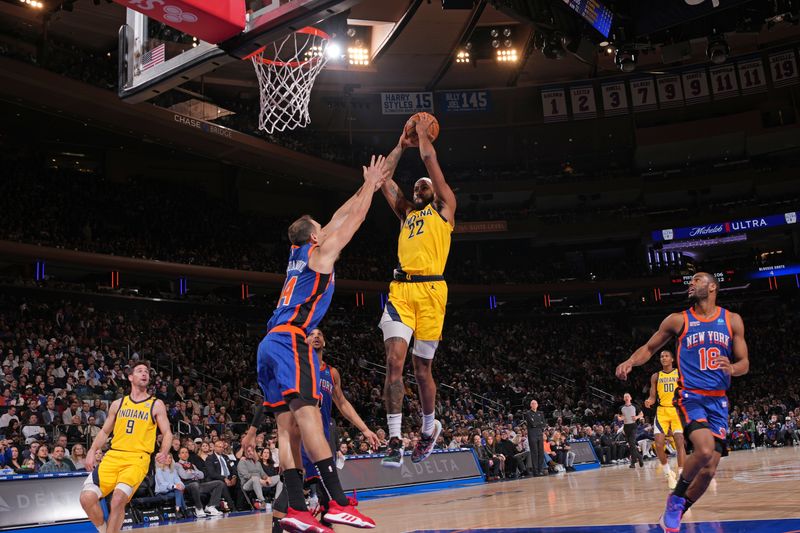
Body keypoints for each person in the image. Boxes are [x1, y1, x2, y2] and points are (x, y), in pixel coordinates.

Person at [253, 156, 388, 532]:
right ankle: (338, 502)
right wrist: (370, 192)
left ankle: (296, 507)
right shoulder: (319, 256)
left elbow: (337, 217)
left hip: (268, 343)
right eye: (321, 230)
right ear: (315, 238)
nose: (326, 232)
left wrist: (367, 186)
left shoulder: (298, 255)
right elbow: (354, 221)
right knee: (309, 414)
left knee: (285, 428)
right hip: (290, 341)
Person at [615, 272, 749, 533]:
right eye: (691, 281)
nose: (691, 283)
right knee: (705, 449)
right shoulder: (678, 320)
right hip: (691, 396)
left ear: (712, 287)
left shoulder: (732, 320)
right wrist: (630, 361)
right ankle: (675, 498)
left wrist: (733, 368)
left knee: (709, 470)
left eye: (697, 280)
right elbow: (649, 348)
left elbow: (745, 363)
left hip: (719, 401)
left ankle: (677, 509)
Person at [378, 113, 457, 468]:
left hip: (432, 293)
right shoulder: (407, 214)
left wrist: (424, 136)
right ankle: (394, 439)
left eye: (423, 186)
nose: (418, 190)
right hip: (400, 291)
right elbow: (385, 180)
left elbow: (430, 161)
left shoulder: (445, 209)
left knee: (421, 369)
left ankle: (428, 430)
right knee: (394, 362)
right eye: (416, 188)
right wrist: (399, 144)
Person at [268, 328, 381, 532]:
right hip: (301, 437)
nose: (316, 336)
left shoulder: (331, 372)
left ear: (325, 342)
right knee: (288, 494)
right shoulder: (295, 369)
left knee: (327, 498)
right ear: (304, 342)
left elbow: (343, 403)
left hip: (323, 435)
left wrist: (364, 429)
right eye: (311, 334)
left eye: (320, 334)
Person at [79, 361, 173, 533]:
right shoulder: (118, 404)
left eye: (147, 371)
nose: (145, 374)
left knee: (117, 500)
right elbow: (105, 431)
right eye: (140, 371)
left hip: (137, 459)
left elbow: (167, 433)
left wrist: (164, 451)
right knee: (86, 498)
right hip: (113, 456)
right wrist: (92, 451)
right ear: (130, 377)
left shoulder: (155, 404)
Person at [644, 349, 686, 489]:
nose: (664, 358)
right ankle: (668, 473)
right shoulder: (656, 376)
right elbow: (652, 396)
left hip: (676, 411)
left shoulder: (679, 373)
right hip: (661, 411)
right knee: (659, 444)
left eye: (666, 355)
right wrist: (649, 400)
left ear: (672, 359)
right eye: (662, 356)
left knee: (679, 441)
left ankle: (681, 474)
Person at [154, 454, 187, 518]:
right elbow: (162, 484)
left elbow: (178, 480)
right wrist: (174, 486)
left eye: (170, 458)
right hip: (162, 492)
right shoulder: (159, 470)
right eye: (166, 458)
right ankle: (184, 509)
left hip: (173, 491)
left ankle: (177, 510)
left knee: (179, 491)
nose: (168, 459)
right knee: (178, 492)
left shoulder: (173, 470)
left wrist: (181, 485)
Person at [620, 393, 644, 468]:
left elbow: (641, 414)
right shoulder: (621, 407)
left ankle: (633, 463)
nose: (626, 398)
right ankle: (639, 458)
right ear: (624, 399)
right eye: (625, 397)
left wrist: (636, 417)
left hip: (633, 426)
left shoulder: (635, 406)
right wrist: (620, 418)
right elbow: (619, 416)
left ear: (630, 398)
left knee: (632, 444)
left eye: (628, 397)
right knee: (631, 445)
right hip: (626, 427)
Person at [525, 400, 546, 476]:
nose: (534, 405)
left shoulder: (541, 413)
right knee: (534, 453)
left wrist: (538, 424)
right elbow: (532, 424)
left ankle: (541, 470)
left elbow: (544, 424)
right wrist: (539, 423)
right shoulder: (528, 413)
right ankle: (535, 471)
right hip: (532, 435)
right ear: (530, 405)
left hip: (540, 434)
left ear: (537, 405)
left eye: (535, 403)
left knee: (541, 452)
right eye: (532, 404)